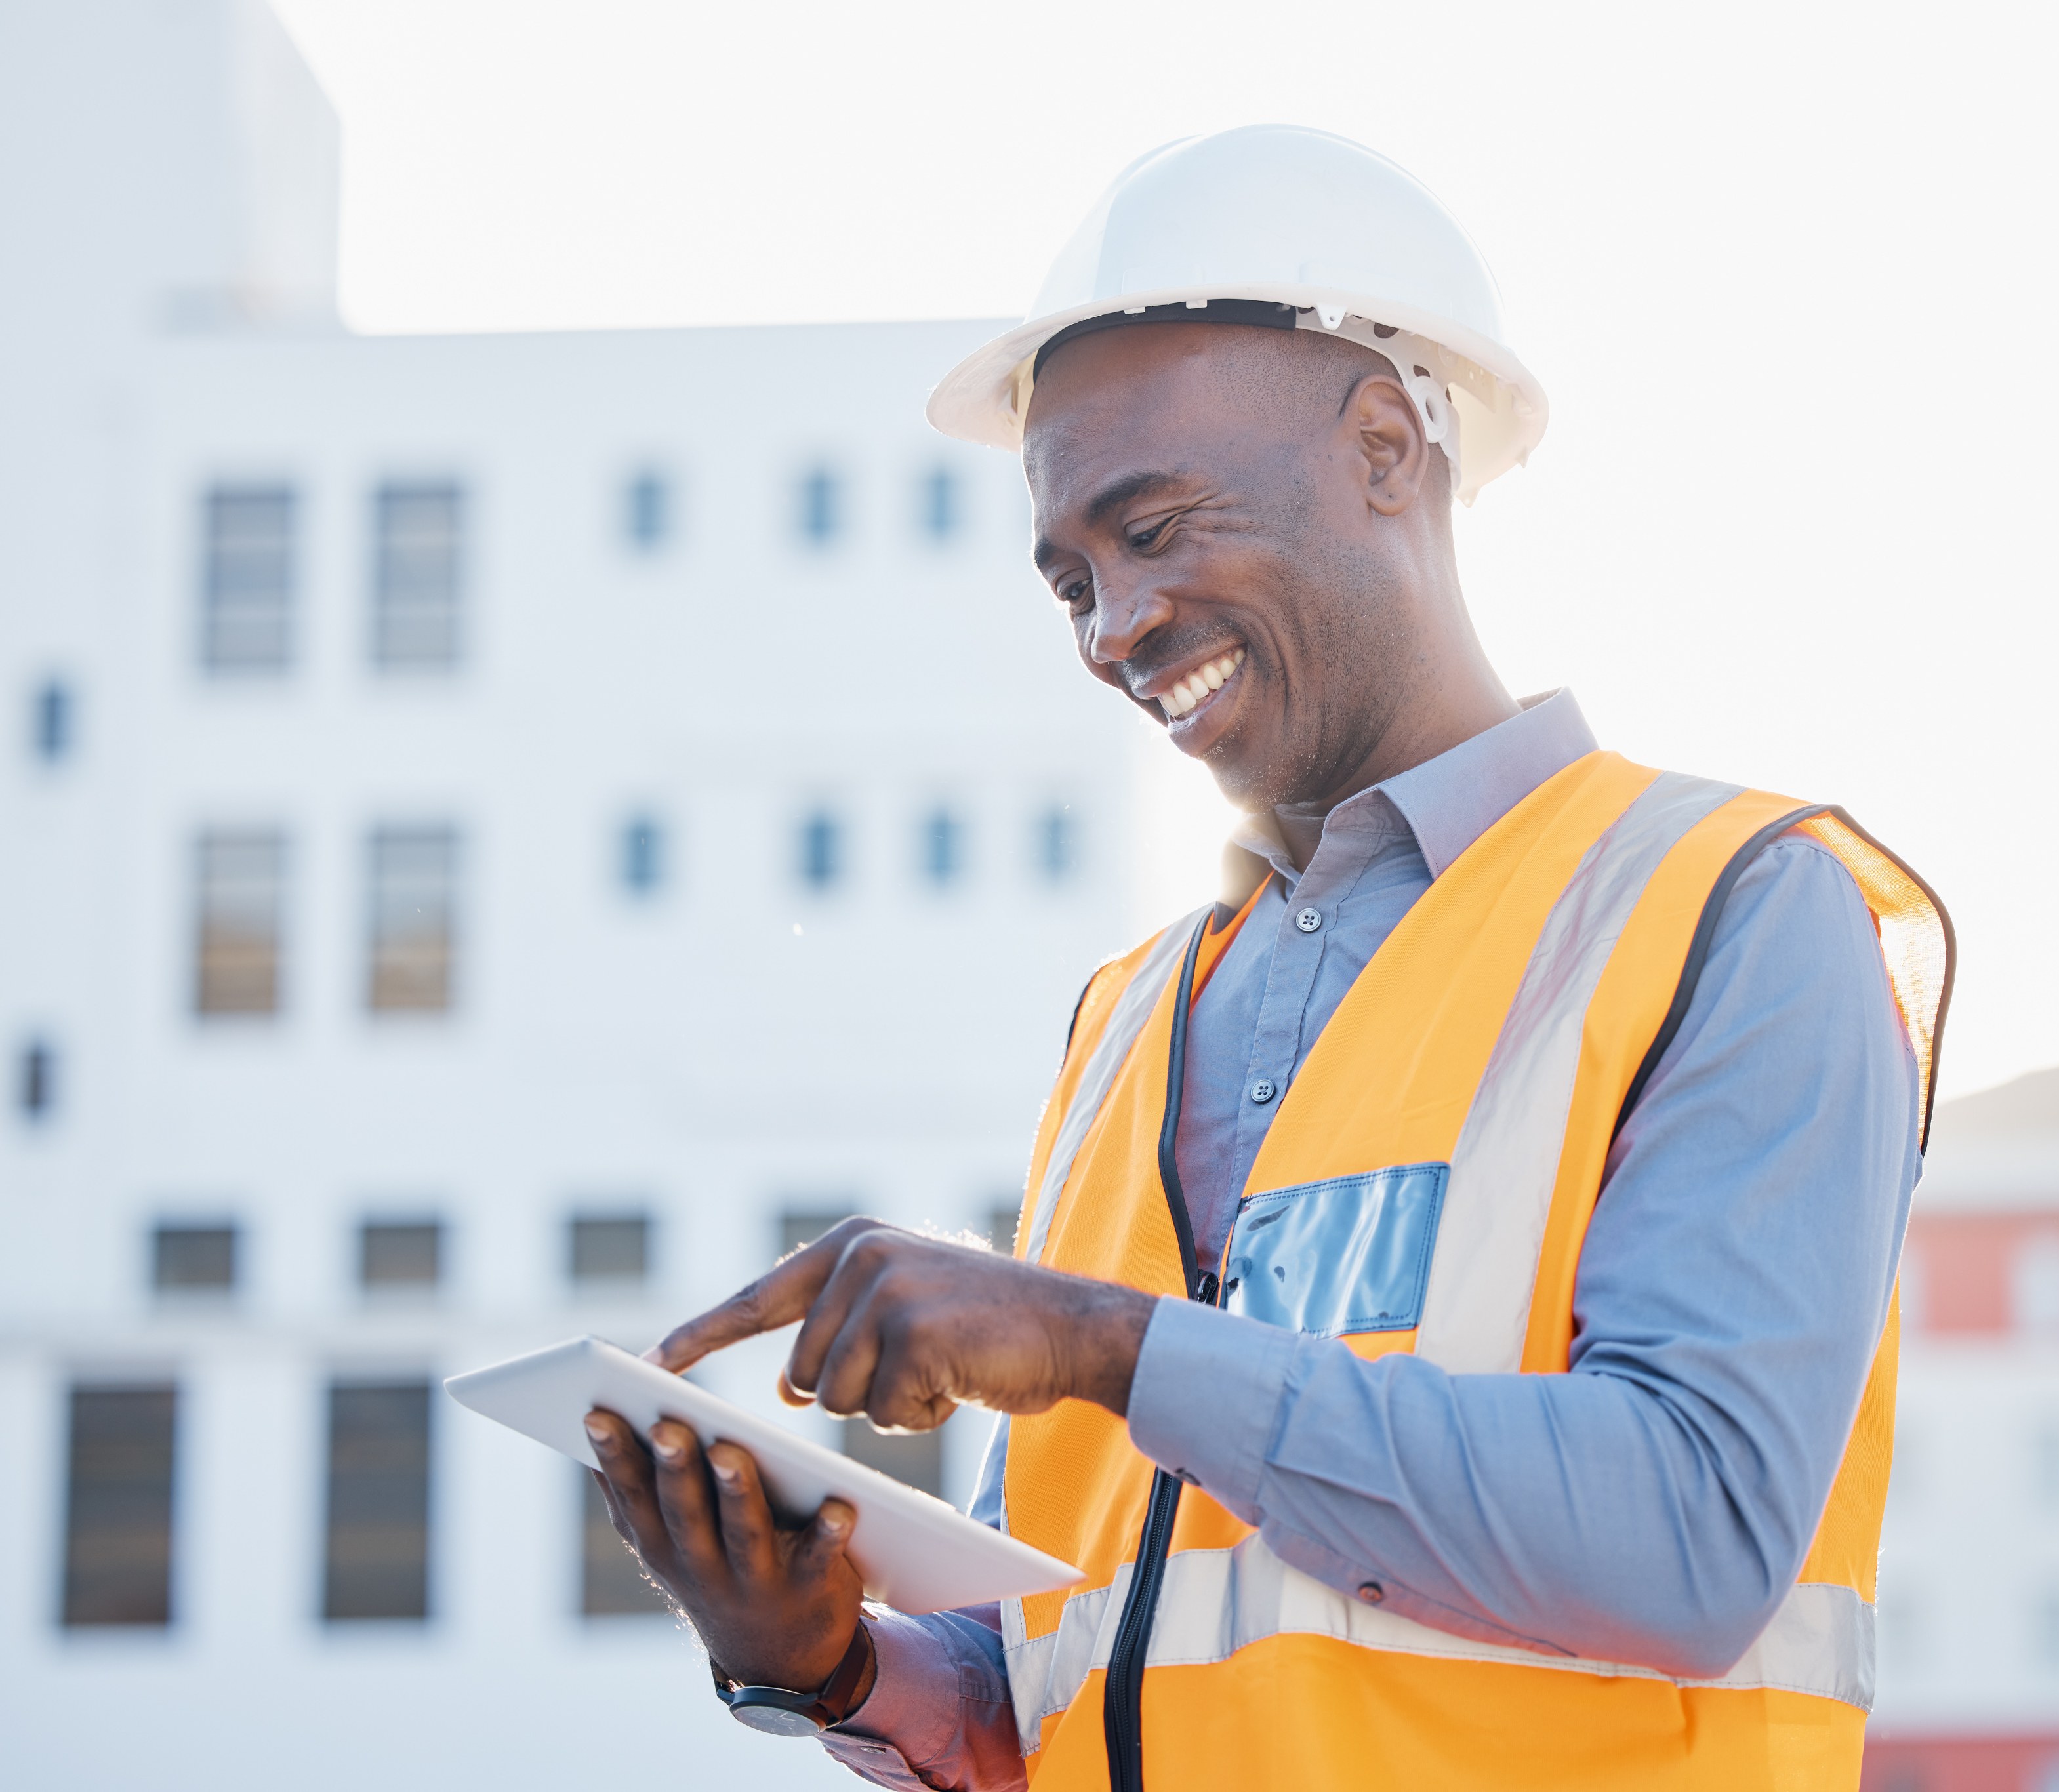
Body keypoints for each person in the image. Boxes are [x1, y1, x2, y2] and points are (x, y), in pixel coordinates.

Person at [584, 125, 1951, 1791]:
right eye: (1070, 577)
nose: (1111, 627)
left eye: (1153, 529)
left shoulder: (1731, 910)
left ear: (1385, 445)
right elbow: (1094, 1674)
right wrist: (824, 1660)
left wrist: (1106, 1344)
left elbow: (1691, 1533)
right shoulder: (1125, 1024)